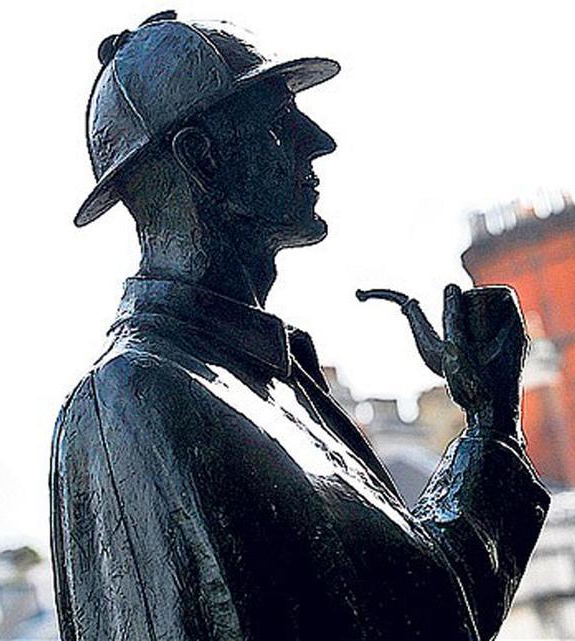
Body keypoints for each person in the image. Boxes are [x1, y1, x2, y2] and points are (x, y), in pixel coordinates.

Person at [50, 11, 549, 641]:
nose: (319, 139)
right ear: (202, 159)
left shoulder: (281, 385)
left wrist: (490, 421)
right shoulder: (134, 397)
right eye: (278, 121)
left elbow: (434, 613)